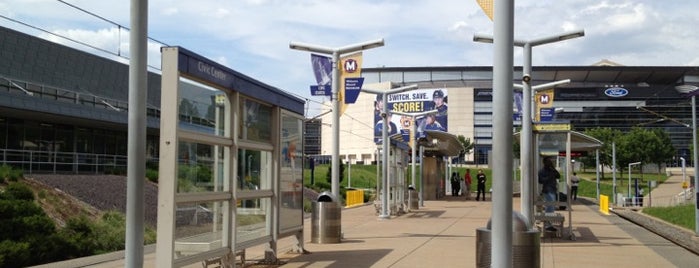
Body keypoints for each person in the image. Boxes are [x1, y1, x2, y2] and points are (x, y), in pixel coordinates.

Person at [538, 157, 561, 232]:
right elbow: (541, 181)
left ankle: (549, 223)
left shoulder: (552, 170)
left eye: (550, 162)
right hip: (547, 191)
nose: (550, 163)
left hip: (553, 190)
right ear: (544, 163)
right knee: (549, 207)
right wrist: (550, 177)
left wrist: (553, 168)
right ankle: (548, 224)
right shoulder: (542, 171)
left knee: (552, 207)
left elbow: (558, 176)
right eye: (548, 162)